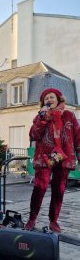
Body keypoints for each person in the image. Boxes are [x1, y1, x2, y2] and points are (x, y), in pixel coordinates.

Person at [25, 87, 80, 233]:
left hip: (64, 156)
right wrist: (42, 118)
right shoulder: (40, 116)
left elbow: (77, 137)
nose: (49, 100)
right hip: (44, 157)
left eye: (51, 97)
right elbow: (34, 135)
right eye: (46, 98)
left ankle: (53, 221)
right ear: (43, 102)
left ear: (58, 99)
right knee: (39, 188)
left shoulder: (69, 115)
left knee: (59, 190)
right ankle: (32, 219)